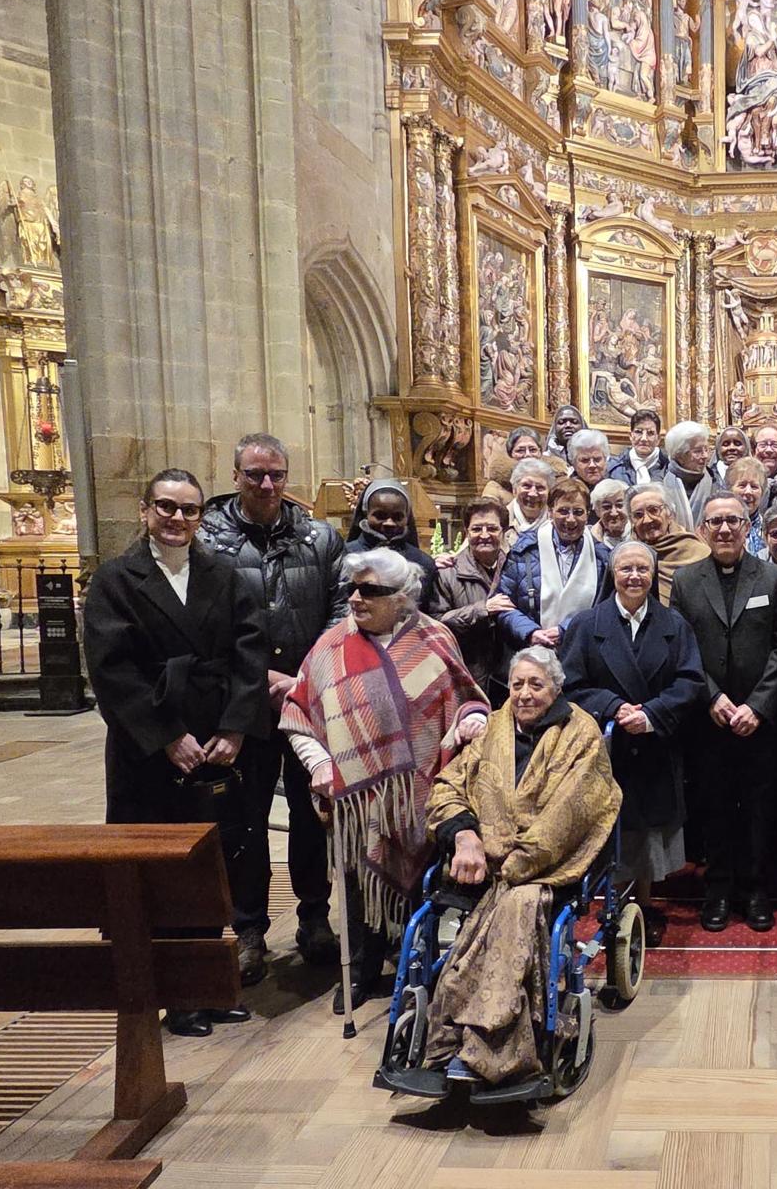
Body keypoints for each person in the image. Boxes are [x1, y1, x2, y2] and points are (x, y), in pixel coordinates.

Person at [84, 468, 267, 1037]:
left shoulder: (227, 575)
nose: (177, 519)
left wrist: (235, 729)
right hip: (151, 748)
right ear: (145, 510)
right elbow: (112, 671)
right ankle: (173, 994)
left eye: (189, 509)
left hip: (215, 742)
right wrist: (166, 735)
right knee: (161, 871)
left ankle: (207, 986)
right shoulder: (116, 579)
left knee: (214, 864)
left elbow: (250, 654)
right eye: (166, 507)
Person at [279, 548, 489, 1010]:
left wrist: (471, 720)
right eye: (353, 588)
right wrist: (318, 765)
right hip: (357, 801)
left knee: (426, 886)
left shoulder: (435, 639)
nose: (356, 598)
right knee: (358, 886)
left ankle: (419, 967)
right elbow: (297, 711)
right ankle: (361, 969)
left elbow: (468, 698)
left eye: (370, 591)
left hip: (425, 792)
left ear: (402, 597)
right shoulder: (331, 646)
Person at [405, 647, 620, 1094]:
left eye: (535, 684)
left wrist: (511, 867)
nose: (523, 694)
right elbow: (449, 787)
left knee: (517, 910)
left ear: (556, 689)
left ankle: (489, 1048)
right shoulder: (495, 728)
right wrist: (465, 837)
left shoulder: (580, 733)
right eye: (517, 683)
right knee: (439, 915)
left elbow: (569, 817)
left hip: (540, 869)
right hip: (482, 862)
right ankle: (448, 1041)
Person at [199, 432, 347, 984]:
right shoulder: (208, 542)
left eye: (277, 474)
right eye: (255, 474)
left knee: (312, 814)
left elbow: (341, 608)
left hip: (307, 701)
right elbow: (203, 622)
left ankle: (314, 918)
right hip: (243, 704)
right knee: (244, 819)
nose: (267, 484)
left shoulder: (319, 537)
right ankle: (250, 929)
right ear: (234, 474)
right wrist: (255, 677)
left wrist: (304, 676)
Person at [561, 542, 706, 948]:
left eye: (643, 568)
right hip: (607, 748)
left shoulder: (674, 624)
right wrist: (615, 707)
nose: (635, 576)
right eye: (626, 568)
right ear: (613, 573)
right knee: (611, 830)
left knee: (646, 837)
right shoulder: (586, 625)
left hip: (656, 745)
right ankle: (609, 907)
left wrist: (653, 714)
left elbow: (690, 681)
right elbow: (570, 684)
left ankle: (639, 907)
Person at [669, 492, 777, 932]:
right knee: (714, 806)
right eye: (715, 521)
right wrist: (713, 697)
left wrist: (757, 706)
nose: (724, 529)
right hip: (709, 718)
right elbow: (681, 648)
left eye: (733, 521)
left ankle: (754, 889)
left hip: (759, 720)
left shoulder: (773, 578)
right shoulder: (685, 581)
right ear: (702, 529)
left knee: (759, 806)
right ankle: (718, 888)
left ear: (746, 527)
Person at [496, 479, 612, 651]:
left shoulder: (602, 557)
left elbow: (606, 607)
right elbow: (503, 604)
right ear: (550, 512)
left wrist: (565, 629)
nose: (571, 520)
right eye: (563, 511)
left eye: (578, 512)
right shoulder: (523, 551)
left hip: (583, 650)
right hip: (530, 650)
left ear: (588, 514)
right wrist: (530, 632)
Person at [434, 498, 515, 703]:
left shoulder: (516, 568)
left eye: (492, 528)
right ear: (467, 531)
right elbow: (436, 623)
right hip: (466, 676)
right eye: (477, 529)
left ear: (503, 531)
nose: (484, 535)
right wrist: (482, 610)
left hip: (509, 678)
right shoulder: (447, 573)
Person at [339, 478, 439, 613]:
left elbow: (428, 612)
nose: (389, 523)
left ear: (407, 518)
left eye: (397, 517)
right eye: (380, 515)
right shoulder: (343, 556)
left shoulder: (423, 563)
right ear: (365, 514)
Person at [628, 484, 711, 604]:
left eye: (653, 510)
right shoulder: (627, 558)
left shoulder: (699, 552)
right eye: (638, 515)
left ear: (669, 513)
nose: (647, 520)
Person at [480, 426, 568, 511]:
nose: (527, 454)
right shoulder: (495, 487)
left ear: (540, 453)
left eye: (532, 449)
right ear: (510, 454)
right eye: (520, 450)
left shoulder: (558, 482)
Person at [660, 420, 716, 532]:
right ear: (679, 455)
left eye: (706, 449)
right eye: (698, 451)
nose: (705, 456)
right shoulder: (660, 483)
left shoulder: (715, 481)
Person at [504, 457, 557, 549]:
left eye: (540, 487)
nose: (533, 493)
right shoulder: (501, 520)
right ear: (514, 490)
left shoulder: (557, 522)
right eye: (526, 486)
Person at [606, 408, 667, 486]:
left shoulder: (669, 468)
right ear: (631, 436)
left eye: (650, 433)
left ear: (658, 439)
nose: (644, 438)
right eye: (638, 432)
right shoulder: (612, 467)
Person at [724, 455, 771, 556]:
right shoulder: (718, 528)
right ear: (729, 489)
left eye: (754, 486)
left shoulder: (770, 529)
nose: (748, 492)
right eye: (742, 485)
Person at [590, 478, 630, 547]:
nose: (614, 513)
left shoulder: (641, 533)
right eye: (607, 507)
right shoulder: (589, 540)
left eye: (619, 505)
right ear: (597, 511)